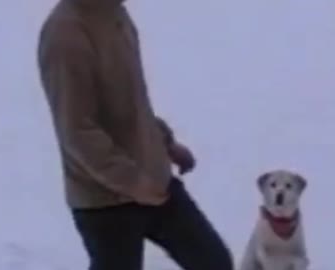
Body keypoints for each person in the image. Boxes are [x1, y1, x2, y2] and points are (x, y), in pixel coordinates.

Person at [37, 0, 234, 269]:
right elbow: (78, 132)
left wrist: (164, 142)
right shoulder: (65, 35)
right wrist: (135, 182)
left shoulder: (114, 12)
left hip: (153, 181)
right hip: (105, 201)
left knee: (213, 262)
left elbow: (130, 102)